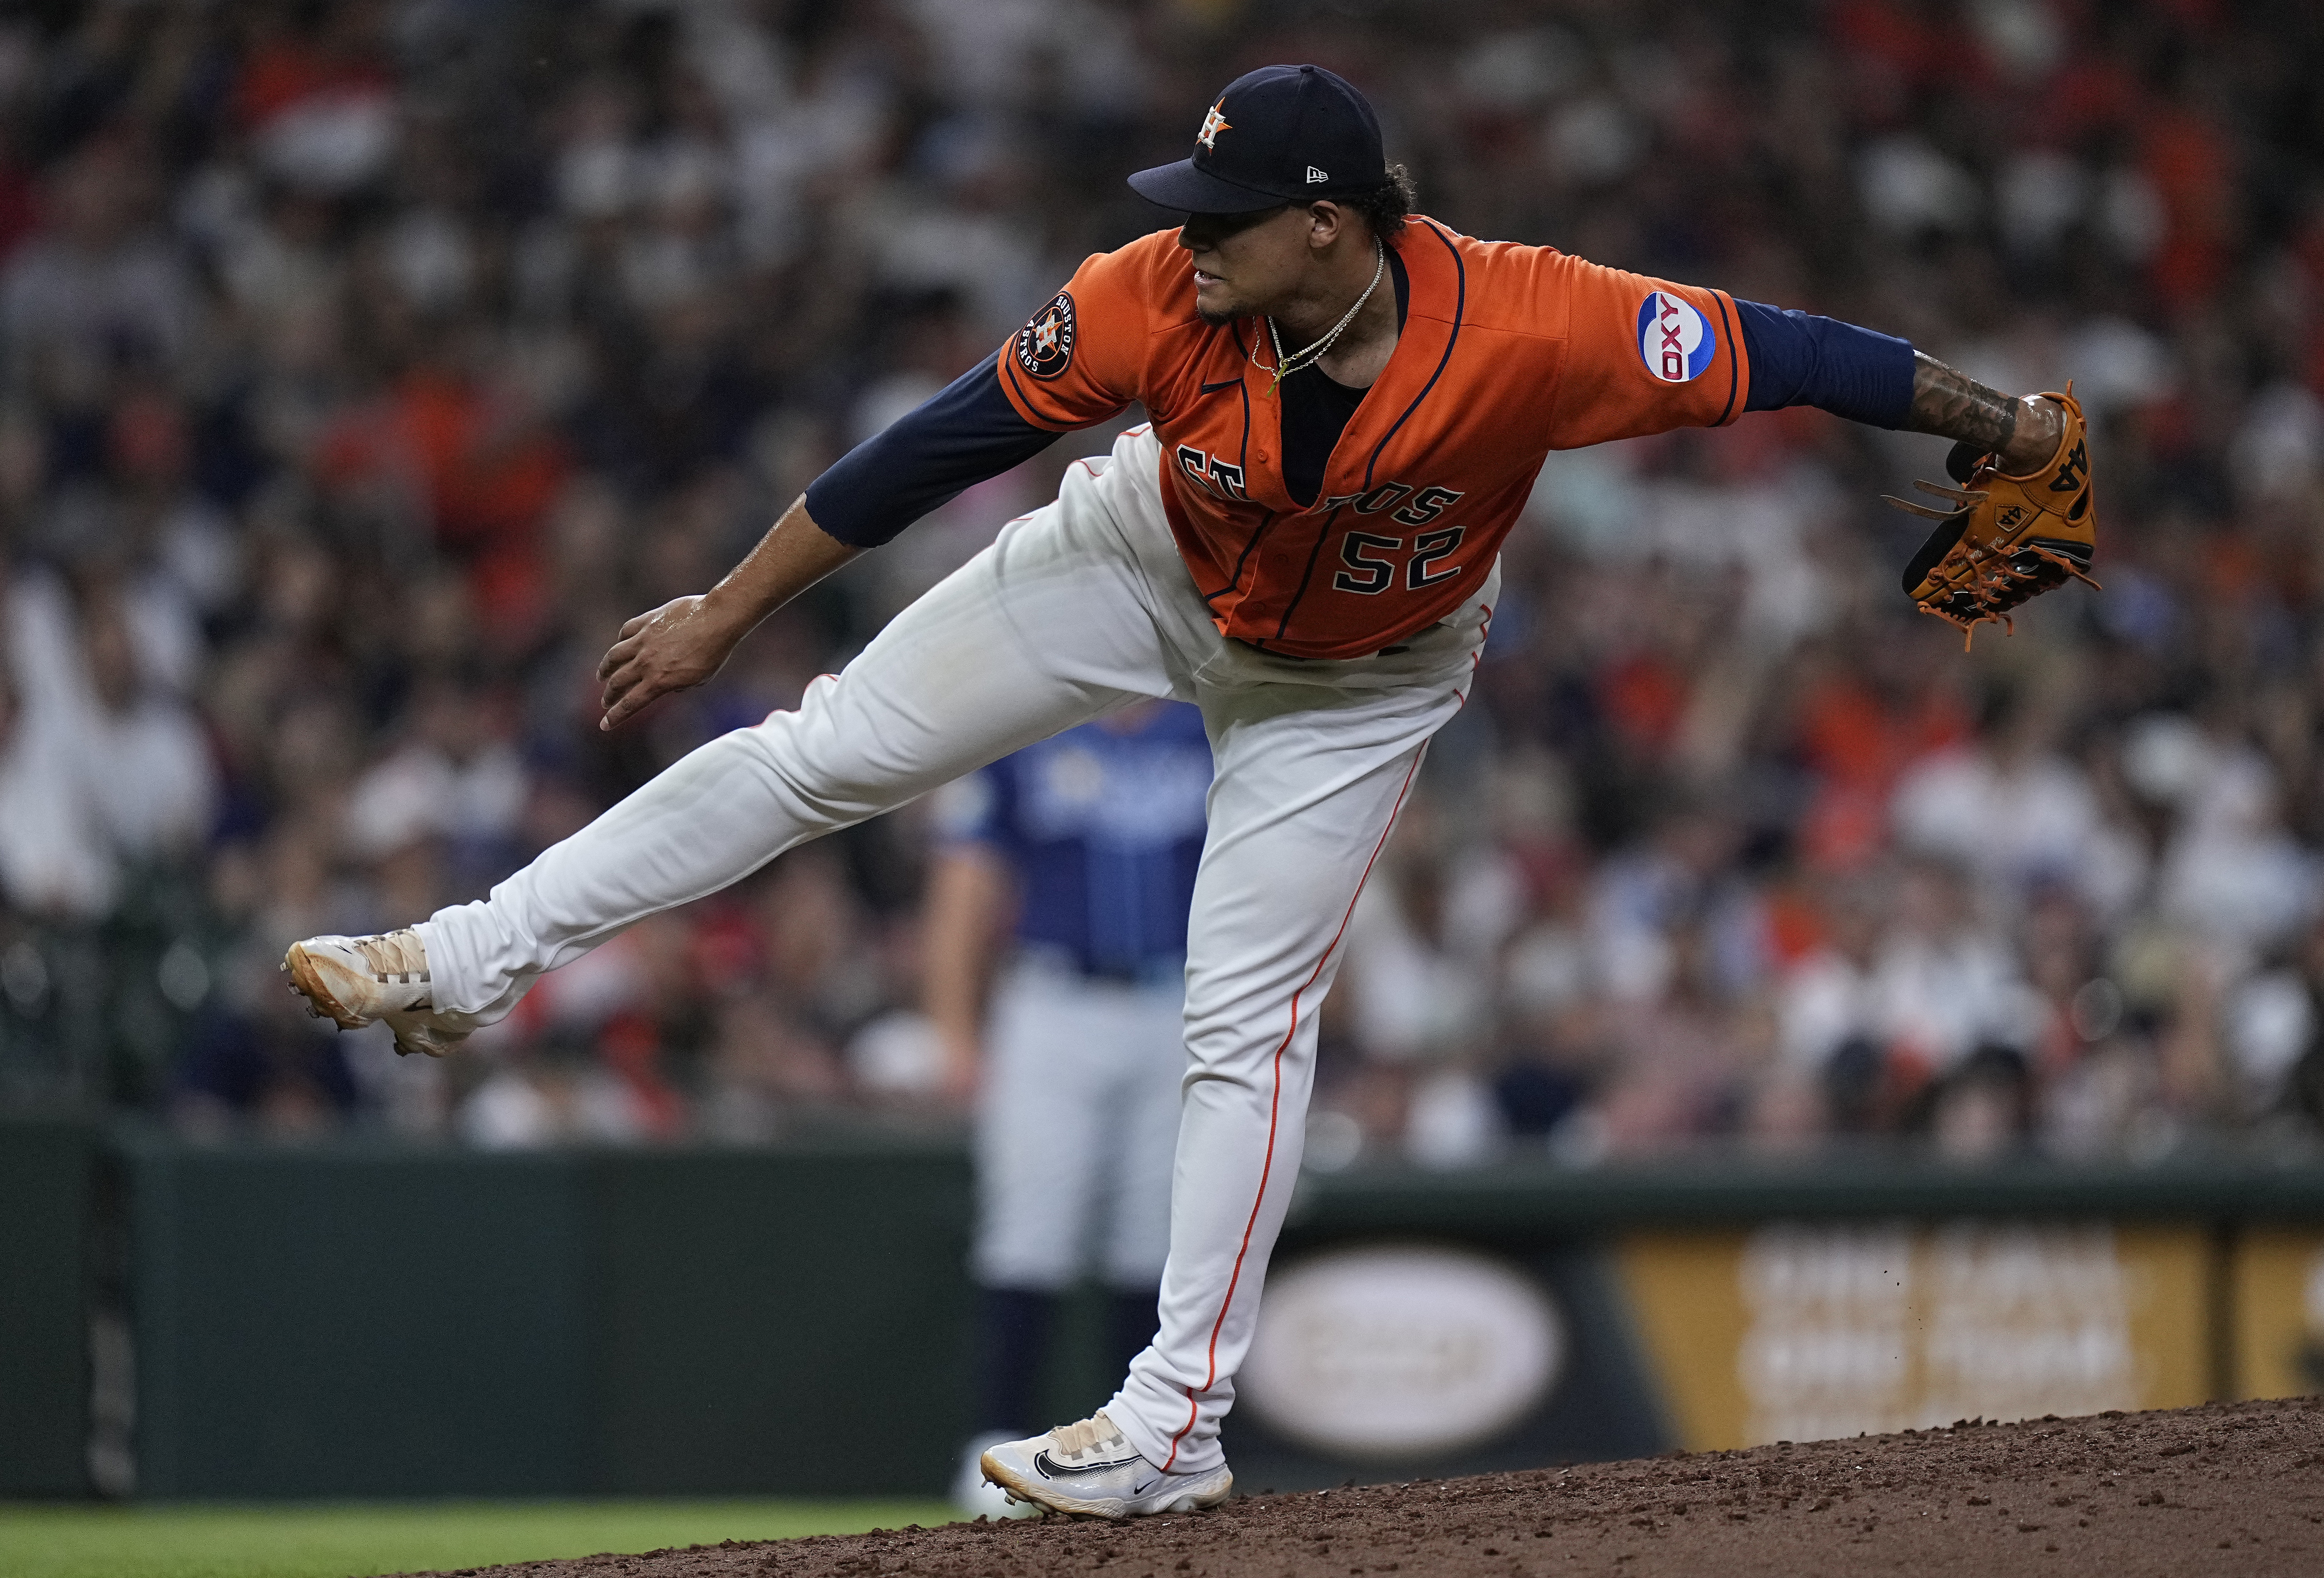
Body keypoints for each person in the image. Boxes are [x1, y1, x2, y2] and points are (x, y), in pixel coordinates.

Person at [283, 63, 2090, 1518]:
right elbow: (939, 445)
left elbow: (1785, 350)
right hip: (1144, 558)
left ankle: (1170, 1423)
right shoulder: (1149, 299)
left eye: (1227, 216)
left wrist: (1999, 424)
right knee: (822, 749)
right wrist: (720, 612)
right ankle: (466, 956)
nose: (1188, 235)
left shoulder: (1538, 325)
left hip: (1358, 682)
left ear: (1331, 227)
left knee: (1240, 1016)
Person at [922, 701, 1212, 1516]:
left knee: (1153, 1239)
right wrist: (954, 1031)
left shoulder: (1205, 729)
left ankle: (1148, 1450)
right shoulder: (1026, 732)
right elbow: (964, 885)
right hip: (1052, 1001)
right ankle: (992, 1450)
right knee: (1029, 1231)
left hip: (1176, 1000)